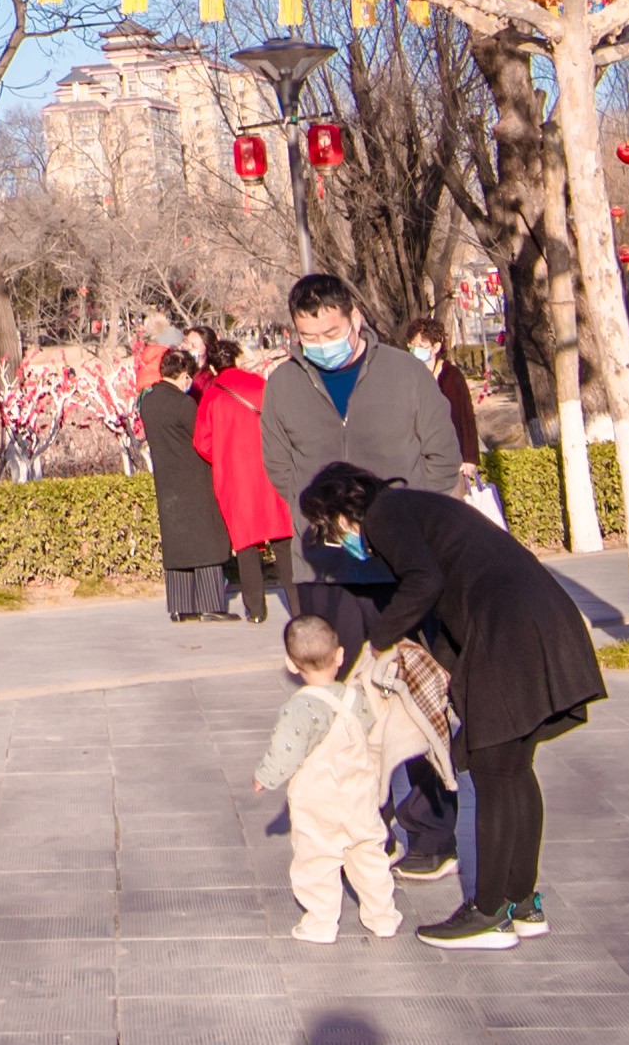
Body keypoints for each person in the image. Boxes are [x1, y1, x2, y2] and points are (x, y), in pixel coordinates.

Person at [298, 465, 600, 951]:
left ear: (341, 512)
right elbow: (442, 604)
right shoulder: (414, 508)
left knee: (495, 773)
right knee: (513, 769)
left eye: (329, 529)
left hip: (511, 629)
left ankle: (488, 913)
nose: (336, 542)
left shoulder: (386, 514)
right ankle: (522, 903)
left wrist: (378, 641)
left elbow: (425, 582)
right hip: (532, 620)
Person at [245, 593, 414, 945]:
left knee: (316, 860)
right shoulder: (356, 696)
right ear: (340, 656)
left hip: (318, 802)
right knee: (369, 855)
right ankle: (382, 916)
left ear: (291, 665)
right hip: (359, 796)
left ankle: (321, 922)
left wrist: (265, 776)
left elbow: (286, 750)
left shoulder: (299, 708)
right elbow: (370, 734)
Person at [257, 274, 456, 534]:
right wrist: (318, 512)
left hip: (403, 546)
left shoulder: (407, 372)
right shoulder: (282, 383)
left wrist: (412, 510)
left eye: (331, 333)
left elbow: (444, 455)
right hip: (323, 554)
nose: (322, 345)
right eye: (309, 337)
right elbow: (279, 465)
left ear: (355, 318)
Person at [132, 326, 236, 621]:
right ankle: (211, 604)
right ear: (183, 375)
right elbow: (202, 438)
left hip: (166, 479)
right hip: (195, 476)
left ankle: (179, 606)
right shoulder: (183, 403)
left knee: (177, 542)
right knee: (207, 540)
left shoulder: (148, 402)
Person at [195, 333, 292, 619]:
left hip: (234, 477)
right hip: (268, 470)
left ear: (212, 368)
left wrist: (223, 455)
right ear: (237, 359)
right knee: (284, 540)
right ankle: (299, 604)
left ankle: (255, 610)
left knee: (246, 543)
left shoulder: (212, 397)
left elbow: (202, 442)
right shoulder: (261, 385)